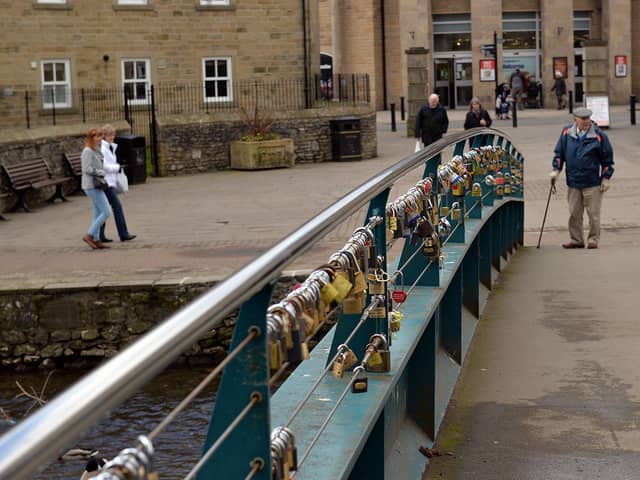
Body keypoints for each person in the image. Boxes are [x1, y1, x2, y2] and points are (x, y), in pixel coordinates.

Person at [549, 107, 614, 249]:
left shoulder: (599, 135)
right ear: (575, 119)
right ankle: (576, 240)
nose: (586, 121)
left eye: (587, 118)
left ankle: (593, 239)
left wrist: (606, 177)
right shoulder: (566, 133)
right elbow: (559, 154)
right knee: (574, 214)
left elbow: (607, 158)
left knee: (593, 214)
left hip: (592, 182)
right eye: (583, 119)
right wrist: (556, 171)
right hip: (573, 182)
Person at [99, 124, 136, 242]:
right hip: (106, 183)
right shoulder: (103, 148)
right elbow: (103, 166)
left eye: (113, 135)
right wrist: (117, 167)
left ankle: (100, 235)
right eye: (109, 135)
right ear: (104, 136)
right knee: (117, 206)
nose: (111, 137)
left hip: (110, 182)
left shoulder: (110, 147)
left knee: (103, 209)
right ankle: (123, 234)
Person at [81, 128, 111, 250]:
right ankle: (89, 235)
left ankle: (97, 239)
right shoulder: (87, 151)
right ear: (91, 138)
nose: (100, 139)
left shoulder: (96, 150)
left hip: (97, 184)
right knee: (106, 211)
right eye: (97, 137)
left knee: (97, 213)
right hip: (91, 185)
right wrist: (101, 172)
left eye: (101, 136)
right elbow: (86, 169)